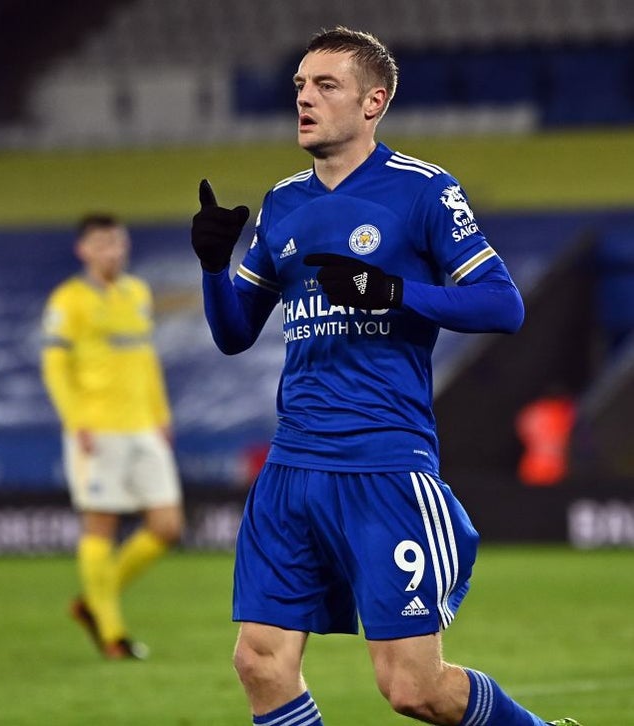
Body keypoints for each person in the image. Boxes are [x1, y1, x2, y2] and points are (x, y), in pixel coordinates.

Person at [189, 27, 583, 726]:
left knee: (412, 689)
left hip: (383, 464)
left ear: (373, 102)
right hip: (292, 467)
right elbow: (233, 333)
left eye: (325, 86)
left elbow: (503, 306)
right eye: (300, 86)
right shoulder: (283, 202)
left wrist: (392, 292)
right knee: (260, 663)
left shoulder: (423, 191)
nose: (305, 99)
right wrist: (215, 267)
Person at [41, 214, 184, 660]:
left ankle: (92, 601)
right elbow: (55, 367)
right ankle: (112, 634)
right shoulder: (68, 300)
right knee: (100, 525)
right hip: (97, 427)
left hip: (143, 424)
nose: (113, 251)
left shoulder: (137, 292)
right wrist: (75, 420)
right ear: (83, 250)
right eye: (102, 244)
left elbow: (147, 359)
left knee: (167, 525)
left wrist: (161, 413)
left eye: (118, 242)